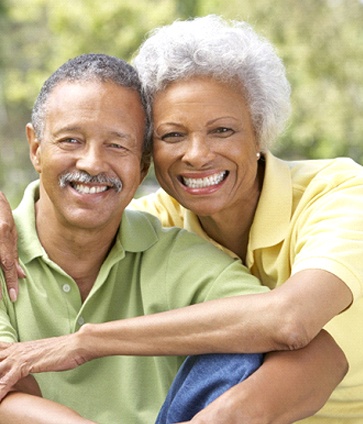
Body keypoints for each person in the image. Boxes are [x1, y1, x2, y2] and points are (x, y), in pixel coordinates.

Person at [0, 15, 358, 423]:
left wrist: (87, 342)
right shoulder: (152, 220)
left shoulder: (338, 193)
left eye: (222, 130)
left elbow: (294, 325)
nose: (197, 154)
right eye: (173, 135)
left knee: (233, 354)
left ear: (259, 133)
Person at [0, 52, 272, 423]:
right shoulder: (3, 246)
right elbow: (8, 388)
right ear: (36, 148)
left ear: (142, 164)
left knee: (241, 347)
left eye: (117, 145)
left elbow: (298, 340)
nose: (93, 163)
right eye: (71, 140)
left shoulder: (177, 257)